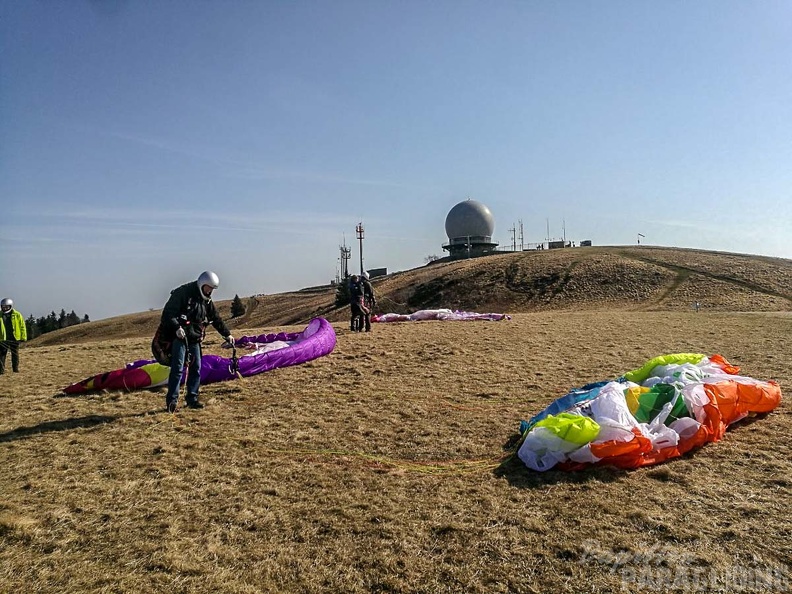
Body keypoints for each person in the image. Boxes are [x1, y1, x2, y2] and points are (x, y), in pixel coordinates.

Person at [160, 271, 233, 412]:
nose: (209, 291)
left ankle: (192, 399)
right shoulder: (183, 293)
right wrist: (176, 327)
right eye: (208, 288)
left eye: (212, 289)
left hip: (194, 338)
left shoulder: (206, 300)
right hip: (180, 338)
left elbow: (216, 318)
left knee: (196, 368)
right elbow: (168, 313)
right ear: (201, 284)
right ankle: (172, 402)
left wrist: (227, 334)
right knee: (178, 369)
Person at [0, 298, 27, 374]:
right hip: (3, 338)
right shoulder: (0, 315)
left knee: (15, 354)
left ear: (10, 306)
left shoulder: (17, 315)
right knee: (1, 355)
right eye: (3, 307)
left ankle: (15, 369)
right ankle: (1, 371)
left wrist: (23, 337)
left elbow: (22, 326)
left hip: (15, 338)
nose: (4, 308)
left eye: (6, 307)